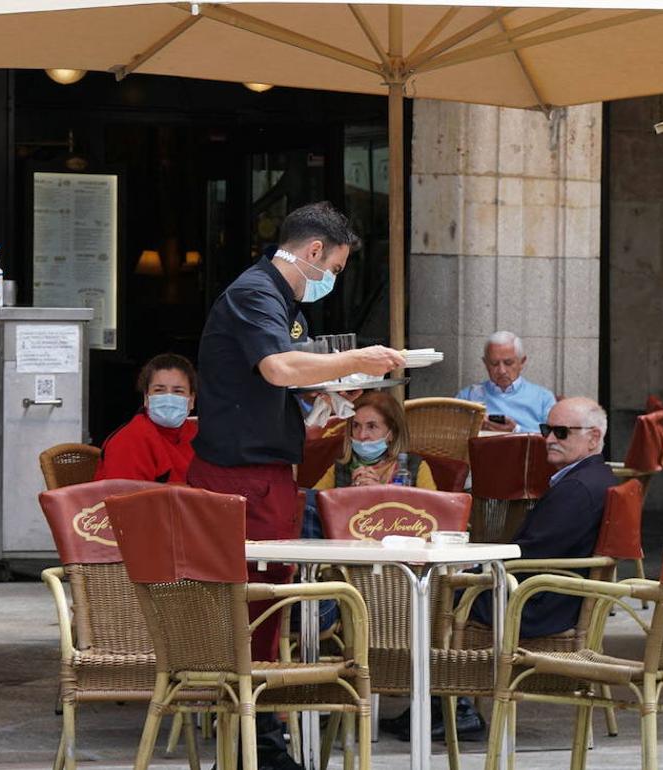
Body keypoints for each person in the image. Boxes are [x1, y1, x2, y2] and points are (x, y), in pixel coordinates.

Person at [188, 201, 403, 770]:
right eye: (336, 265)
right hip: (240, 477)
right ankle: (254, 741)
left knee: (268, 605)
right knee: (255, 607)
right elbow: (278, 368)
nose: (334, 277)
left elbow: (281, 378)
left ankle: (255, 738)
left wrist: (327, 390)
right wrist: (354, 360)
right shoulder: (255, 293)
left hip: (263, 473)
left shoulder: (281, 301)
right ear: (315, 253)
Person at [387, 397, 617, 742]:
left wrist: (476, 565)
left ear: (593, 437)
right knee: (453, 585)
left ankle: (455, 706)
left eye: (561, 431)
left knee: (436, 594)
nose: (550, 439)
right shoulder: (589, 476)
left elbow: (533, 551)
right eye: (546, 429)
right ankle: (445, 701)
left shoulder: (579, 488)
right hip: (552, 592)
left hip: (540, 603)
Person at [93, 354, 198, 484]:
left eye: (178, 391)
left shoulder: (197, 436)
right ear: (146, 398)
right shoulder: (130, 440)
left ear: (191, 400)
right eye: (159, 390)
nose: (169, 398)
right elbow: (126, 499)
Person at [313, 390, 436, 490]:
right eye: (356, 426)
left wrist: (380, 493)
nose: (362, 435)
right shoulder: (341, 467)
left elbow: (433, 512)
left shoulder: (414, 466)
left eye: (371, 426)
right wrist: (349, 495)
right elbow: (311, 504)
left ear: (392, 433)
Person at [455, 331, 556, 433]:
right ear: (485, 364)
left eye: (508, 363)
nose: (502, 370)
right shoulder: (467, 396)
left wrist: (517, 430)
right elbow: (449, 433)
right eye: (494, 363)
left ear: (522, 362)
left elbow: (555, 436)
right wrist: (473, 428)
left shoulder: (543, 398)